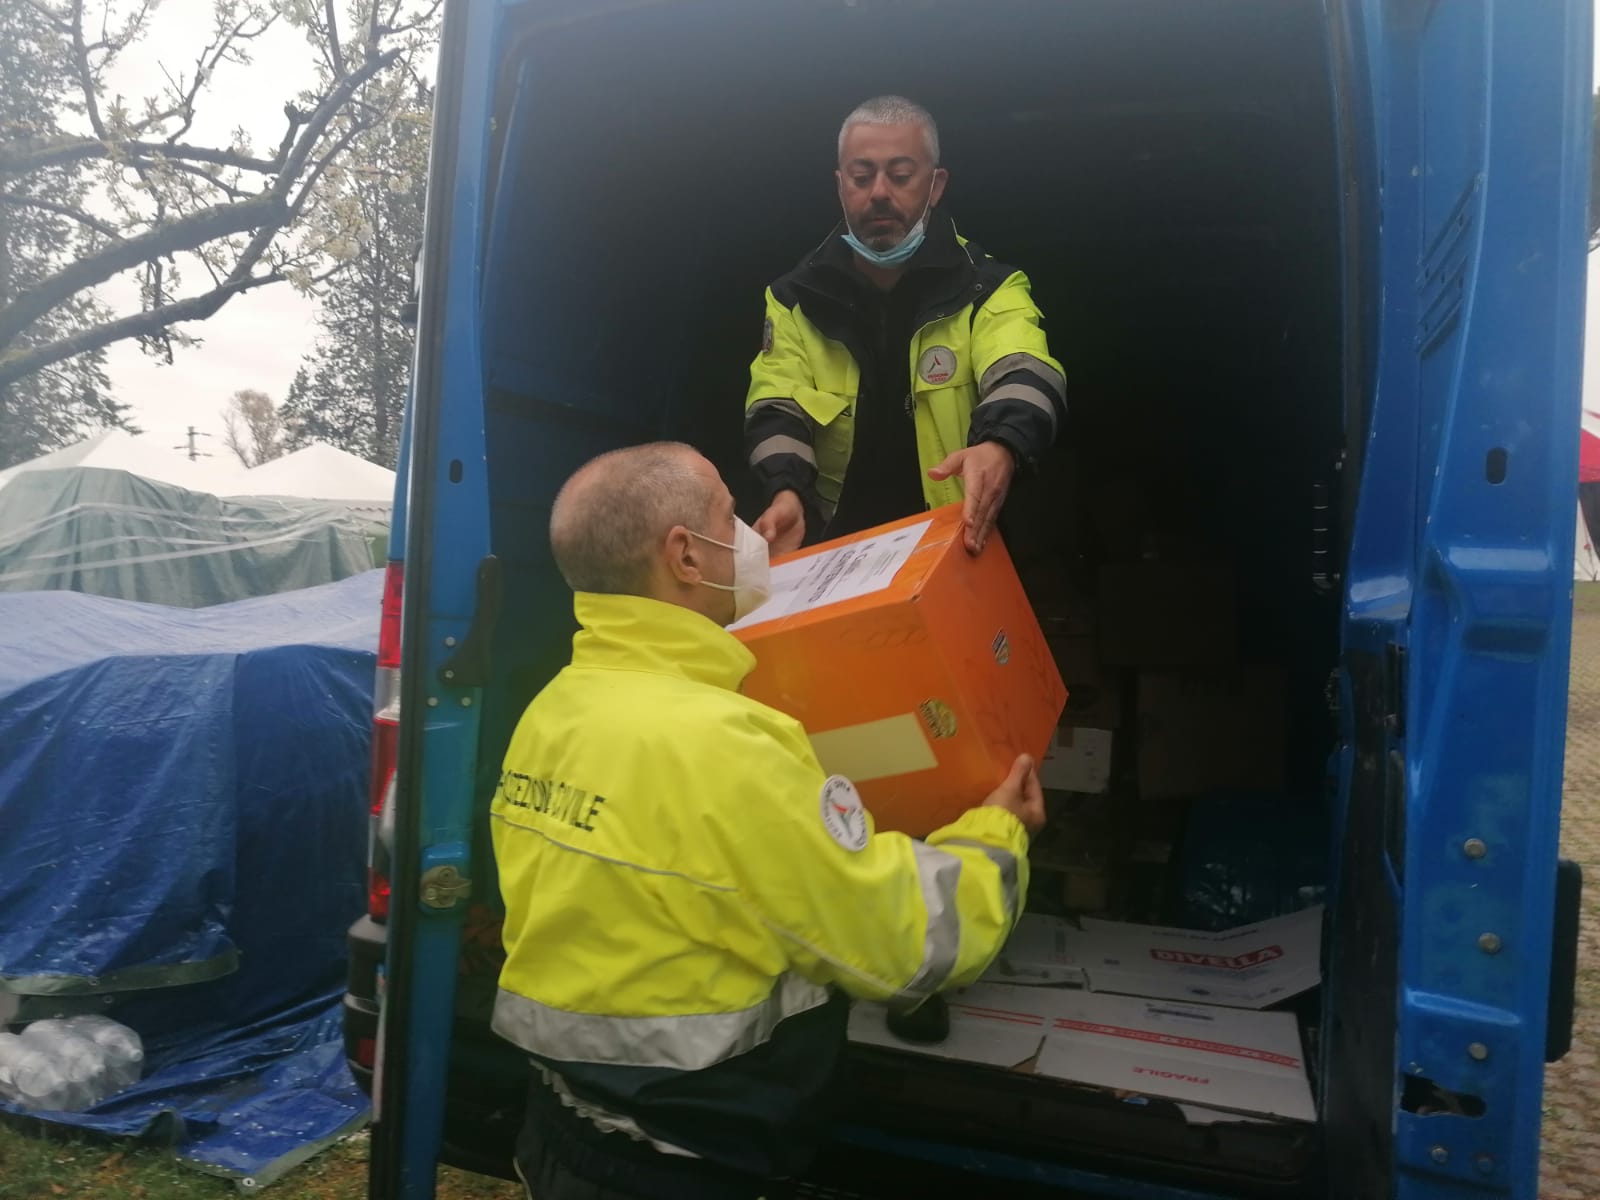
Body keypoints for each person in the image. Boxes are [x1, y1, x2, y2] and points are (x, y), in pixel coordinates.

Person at [491, 442, 1044, 1200]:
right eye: (731, 516)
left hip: (561, 1130)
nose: (752, 534)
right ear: (685, 556)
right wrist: (996, 832)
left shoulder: (554, 709)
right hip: (680, 1166)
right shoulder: (725, 747)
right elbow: (909, 941)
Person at [746, 95, 1066, 558]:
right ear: (841, 186)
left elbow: (1027, 374)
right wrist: (786, 493)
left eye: (899, 176)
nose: (879, 192)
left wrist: (1001, 444)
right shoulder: (794, 299)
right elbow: (775, 405)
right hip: (837, 554)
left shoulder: (988, 287)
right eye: (861, 177)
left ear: (935, 185)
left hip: (956, 547)